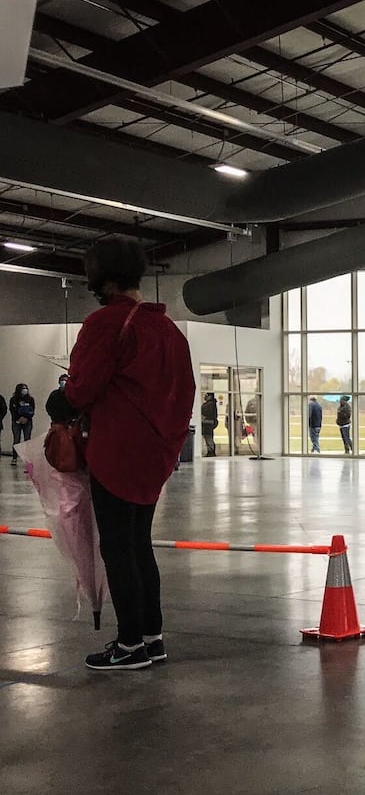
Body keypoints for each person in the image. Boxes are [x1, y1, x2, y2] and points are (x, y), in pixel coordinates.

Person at [57, 235, 194, 670]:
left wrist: (60, 403)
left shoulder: (106, 323)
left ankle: (130, 642)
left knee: (117, 549)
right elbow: (184, 394)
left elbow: (81, 388)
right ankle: (152, 637)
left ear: (101, 278)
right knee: (139, 545)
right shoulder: (168, 330)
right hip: (155, 456)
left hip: (115, 453)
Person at [9, 383, 35, 466]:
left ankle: (28, 460)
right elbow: (12, 410)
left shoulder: (30, 399)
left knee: (27, 440)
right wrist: (18, 418)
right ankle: (14, 458)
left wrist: (26, 418)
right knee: (16, 440)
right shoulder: (13, 399)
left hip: (27, 422)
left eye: (26, 388)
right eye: (23, 388)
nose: (25, 390)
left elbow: (32, 410)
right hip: (16, 422)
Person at [200, 392, 219, 457]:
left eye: (206, 396)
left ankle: (211, 451)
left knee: (208, 437)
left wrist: (203, 417)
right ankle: (210, 451)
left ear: (210, 396)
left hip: (208, 423)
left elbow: (206, 413)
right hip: (208, 423)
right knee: (208, 437)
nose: (205, 397)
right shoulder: (211, 404)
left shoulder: (210, 404)